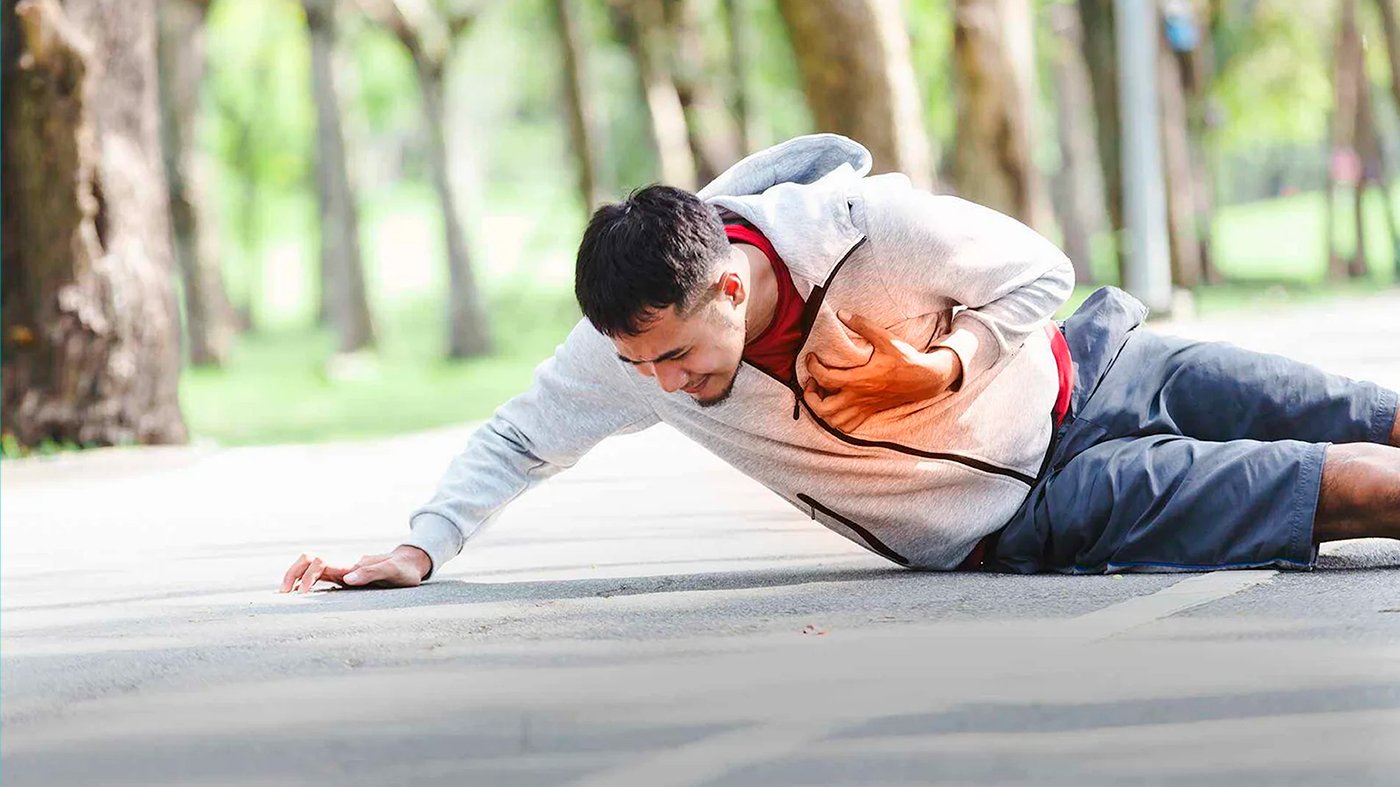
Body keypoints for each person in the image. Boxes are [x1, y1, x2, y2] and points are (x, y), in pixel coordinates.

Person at [279, 134, 1400, 593]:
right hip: (1031, 507)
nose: (659, 384)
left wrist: (946, 366)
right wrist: (419, 546)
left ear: (728, 287)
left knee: (1369, 410)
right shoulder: (628, 350)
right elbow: (518, 437)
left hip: (1095, 366)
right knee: (1355, 485)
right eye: (636, 364)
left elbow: (1039, 271)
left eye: (675, 356)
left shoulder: (866, 228)